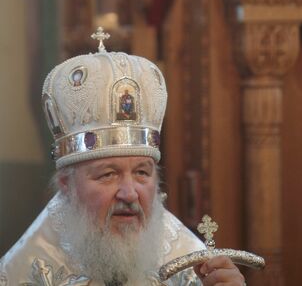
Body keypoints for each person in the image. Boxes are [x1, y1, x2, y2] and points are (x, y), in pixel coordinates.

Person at [0, 29, 245, 286]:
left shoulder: (188, 262)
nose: (129, 194)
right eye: (108, 174)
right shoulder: (27, 270)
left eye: (142, 173)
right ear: (66, 185)